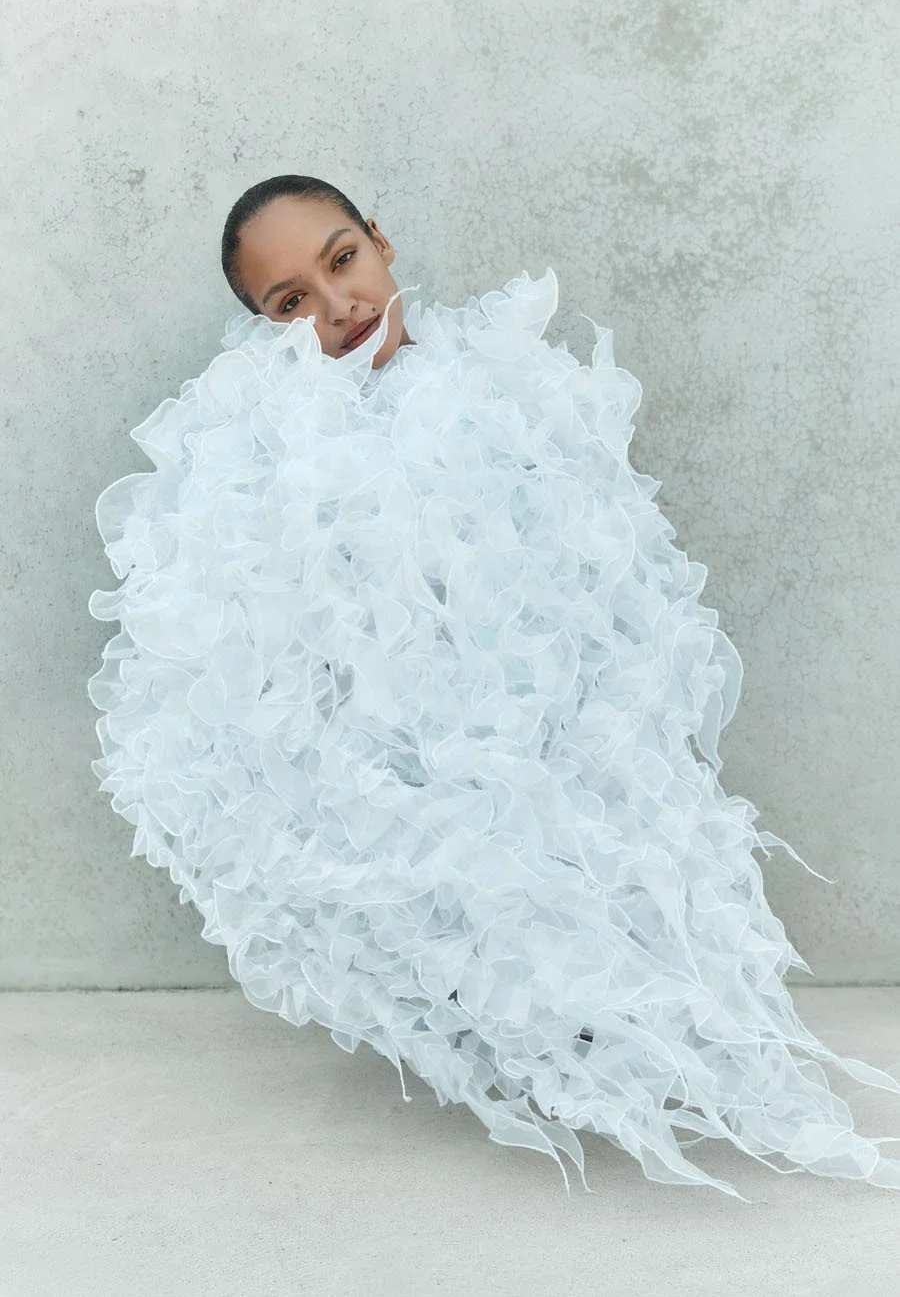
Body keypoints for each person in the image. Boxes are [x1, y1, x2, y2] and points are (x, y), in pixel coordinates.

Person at [88, 174, 900, 1200]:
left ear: (381, 243)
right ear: (263, 327)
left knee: (617, 879)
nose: (337, 307)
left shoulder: (513, 386)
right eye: (291, 301)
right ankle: (541, 1038)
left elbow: (602, 572)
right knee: (485, 901)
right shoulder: (270, 462)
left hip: (556, 722)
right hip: (415, 768)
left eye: (342, 260)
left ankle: (662, 1043)